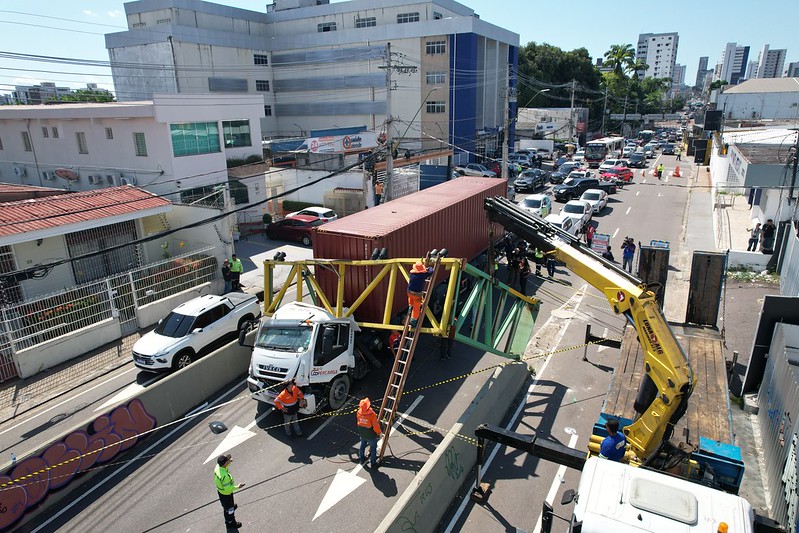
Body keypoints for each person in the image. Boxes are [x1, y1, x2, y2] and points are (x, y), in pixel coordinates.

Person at [214, 454, 243, 529]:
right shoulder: (224, 476)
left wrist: (229, 461)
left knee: (227, 506)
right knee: (229, 510)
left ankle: (230, 507)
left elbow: (225, 467)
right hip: (226, 494)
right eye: (227, 461)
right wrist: (238, 487)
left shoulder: (218, 467)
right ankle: (230, 522)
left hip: (221, 492)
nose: (228, 461)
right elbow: (228, 489)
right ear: (224, 464)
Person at [356, 397, 382, 468]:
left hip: (362, 434)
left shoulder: (358, 413)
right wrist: (379, 433)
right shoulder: (372, 415)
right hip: (371, 435)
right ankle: (373, 462)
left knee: (362, 445)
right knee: (373, 448)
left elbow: (359, 422)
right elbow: (375, 426)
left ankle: (361, 458)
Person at [407, 259, 433, 327]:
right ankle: (413, 322)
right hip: (417, 294)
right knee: (416, 308)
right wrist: (428, 268)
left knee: (411, 301)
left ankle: (410, 308)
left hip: (409, 292)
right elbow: (431, 271)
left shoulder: (412, 274)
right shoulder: (423, 275)